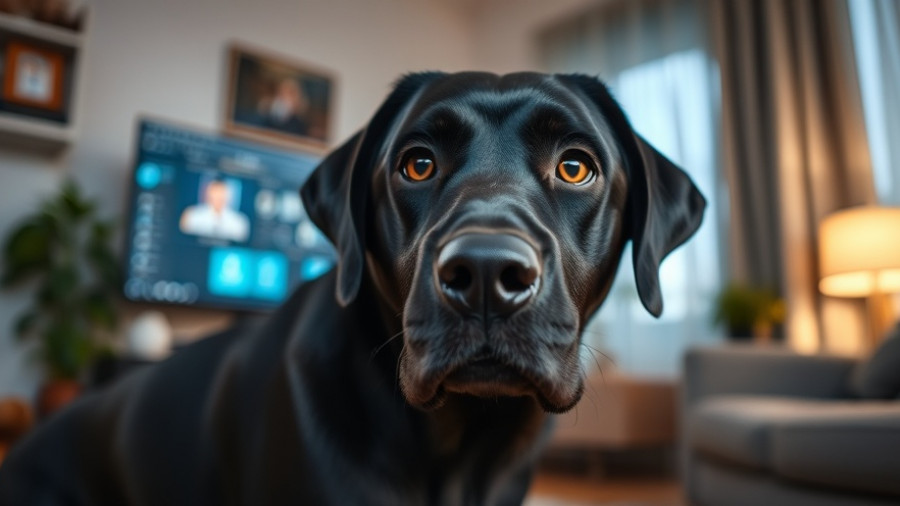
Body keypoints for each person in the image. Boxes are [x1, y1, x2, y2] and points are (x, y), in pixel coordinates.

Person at [179, 179, 250, 241]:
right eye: (215, 192)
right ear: (208, 193)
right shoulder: (192, 215)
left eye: (221, 192)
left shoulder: (239, 221)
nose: (218, 196)